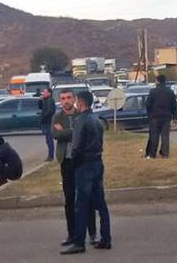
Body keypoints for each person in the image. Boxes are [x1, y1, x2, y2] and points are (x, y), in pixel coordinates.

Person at [61, 91, 111, 255]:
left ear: (80, 103)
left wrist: (74, 161)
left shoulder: (80, 120)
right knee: (100, 203)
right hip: (97, 161)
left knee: (81, 204)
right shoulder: (97, 120)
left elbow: (76, 146)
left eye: (76, 101)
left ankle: (79, 241)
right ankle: (106, 238)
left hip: (84, 165)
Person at [52, 89, 98, 248]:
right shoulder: (57, 117)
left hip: (82, 161)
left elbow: (83, 135)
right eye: (63, 98)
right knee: (69, 199)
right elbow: (56, 135)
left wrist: (66, 132)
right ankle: (72, 234)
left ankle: (92, 234)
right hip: (67, 161)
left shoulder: (82, 115)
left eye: (69, 98)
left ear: (74, 99)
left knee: (87, 197)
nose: (66, 101)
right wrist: (72, 133)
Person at [145, 75, 177, 159]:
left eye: (156, 81)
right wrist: (174, 116)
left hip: (155, 116)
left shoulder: (153, 91)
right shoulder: (170, 92)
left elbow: (148, 104)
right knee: (165, 136)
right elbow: (174, 105)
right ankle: (165, 153)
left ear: (158, 81)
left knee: (154, 136)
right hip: (166, 116)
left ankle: (152, 153)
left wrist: (149, 114)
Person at [40, 88, 56, 162]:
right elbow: (40, 107)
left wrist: (43, 117)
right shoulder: (45, 100)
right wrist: (40, 100)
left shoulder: (50, 101)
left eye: (45, 92)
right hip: (46, 122)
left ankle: (51, 156)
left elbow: (49, 112)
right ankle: (50, 155)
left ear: (49, 93)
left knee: (49, 140)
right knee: (48, 140)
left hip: (48, 122)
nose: (43, 93)